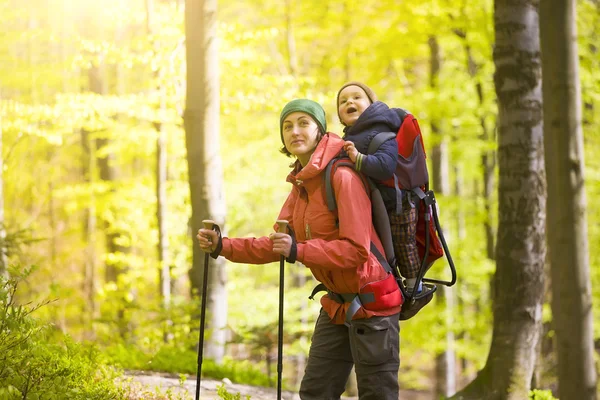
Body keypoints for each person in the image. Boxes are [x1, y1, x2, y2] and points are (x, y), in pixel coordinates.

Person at [197, 99, 402, 400]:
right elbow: (278, 244)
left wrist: (300, 251)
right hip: (337, 305)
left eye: (304, 123)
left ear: (320, 131)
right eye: (287, 125)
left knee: (376, 396)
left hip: (373, 305)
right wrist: (223, 246)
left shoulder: (342, 177)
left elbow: (356, 251)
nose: (295, 131)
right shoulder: (301, 186)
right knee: (315, 393)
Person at [337, 81, 422, 293]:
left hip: (398, 204)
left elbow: (385, 166)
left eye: (357, 97)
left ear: (372, 104)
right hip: (374, 206)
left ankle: (414, 286)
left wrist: (358, 158)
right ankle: (389, 284)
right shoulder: (348, 138)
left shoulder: (382, 132)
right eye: (343, 100)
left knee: (403, 245)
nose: (350, 102)